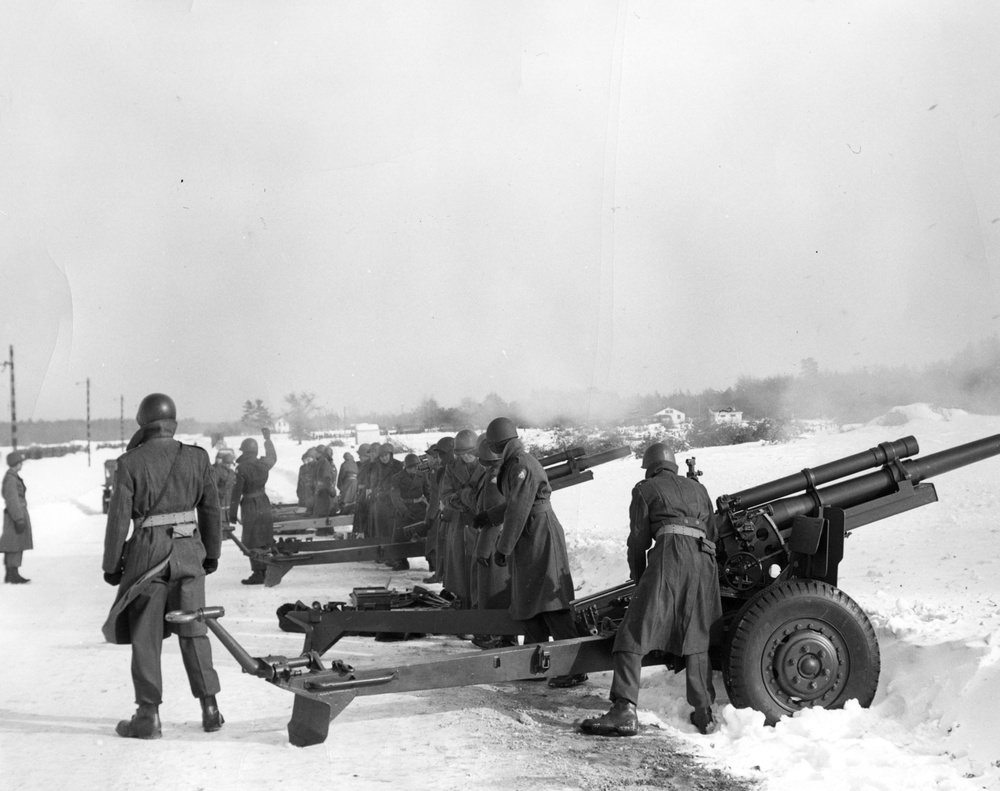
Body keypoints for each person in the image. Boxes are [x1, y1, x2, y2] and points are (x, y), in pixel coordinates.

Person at [101, 393, 224, 739]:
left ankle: (148, 716)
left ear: (144, 424)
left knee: (146, 636)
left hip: (146, 560)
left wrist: (112, 565)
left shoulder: (129, 463)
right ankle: (210, 708)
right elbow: (212, 511)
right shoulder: (197, 458)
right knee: (195, 631)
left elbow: (118, 522)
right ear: (172, 423)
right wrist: (210, 554)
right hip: (189, 555)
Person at [580, 443, 722, 737]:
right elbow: (714, 533)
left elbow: (638, 540)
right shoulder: (700, 489)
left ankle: (624, 710)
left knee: (632, 633)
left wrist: (640, 577)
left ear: (651, 467)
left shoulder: (645, 488)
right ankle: (704, 712)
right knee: (696, 635)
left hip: (669, 556)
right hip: (704, 561)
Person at [477, 417, 585, 687]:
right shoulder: (515, 464)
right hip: (531, 533)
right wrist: (490, 516)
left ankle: (574, 666)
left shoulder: (521, 465)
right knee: (529, 599)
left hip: (539, 533)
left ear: (496, 444)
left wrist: (503, 547)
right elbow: (516, 503)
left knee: (552, 603)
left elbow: (519, 509)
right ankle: (536, 664)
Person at [470, 434, 514, 649]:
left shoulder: (493, 478)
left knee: (493, 593)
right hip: (500, 541)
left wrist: (483, 550)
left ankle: (493, 637)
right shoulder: (498, 474)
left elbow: (493, 520)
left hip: (493, 542)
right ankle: (504, 636)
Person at [439, 429, 483, 608]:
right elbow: (445, 496)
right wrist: (464, 500)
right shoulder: (451, 468)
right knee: (460, 569)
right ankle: (464, 610)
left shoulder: (488, 465)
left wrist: (465, 498)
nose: (466, 458)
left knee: (480, 570)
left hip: (480, 524)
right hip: (459, 526)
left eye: (469, 453)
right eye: (461, 454)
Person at [228, 427, 277, 585]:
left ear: (244, 451)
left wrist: (232, 514)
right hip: (263, 501)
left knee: (252, 539)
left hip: (249, 505)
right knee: (263, 537)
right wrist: (267, 440)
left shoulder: (241, 468)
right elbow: (273, 457)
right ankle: (265, 569)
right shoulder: (263, 464)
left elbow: (236, 492)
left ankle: (258, 573)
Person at [388, 453, 430, 571]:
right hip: (404, 509)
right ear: (406, 467)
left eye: (416, 467)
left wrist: (431, 507)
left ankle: (433, 562)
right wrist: (403, 511)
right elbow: (395, 497)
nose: (415, 469)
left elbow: (428, 492)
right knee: (399, 536)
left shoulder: (422, 476)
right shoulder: (397, 478)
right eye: (412, 467)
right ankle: (401, 562)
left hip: (419, 509)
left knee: (427, 535)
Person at [2, 450, 32, 584]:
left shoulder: (12, 477)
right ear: (16, 463)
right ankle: (12, 574)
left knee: (16, 544)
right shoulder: (11, 479)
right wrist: (19, 519)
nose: (22, 465)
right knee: (14, 545)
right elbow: (12, 500)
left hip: (16, 514)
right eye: (20, 462)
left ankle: (12, 573)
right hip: (15, 516)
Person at [370, 443, 403, 543]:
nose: (384, 458)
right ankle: (383, 554)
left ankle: (396, 556)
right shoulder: (376, 467)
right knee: (381, 529)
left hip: (394, 501)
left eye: (386, 455)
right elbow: (373, 483)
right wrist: (375, 493)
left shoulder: (398, 465)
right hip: (381, 501)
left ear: (390, 454)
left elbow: (401, 483)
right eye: (381, 456)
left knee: (394, 528)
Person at [312, 445, 336, 518]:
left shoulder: (322, 462)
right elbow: (326, 479)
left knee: (323, 516)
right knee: (324, 516)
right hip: (323, 494)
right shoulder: (323, 462)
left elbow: (325, 478)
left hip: (322, 493)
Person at [212, 449, 236, 517]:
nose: (228, 465)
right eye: (227, 463)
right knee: (220, 516)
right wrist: (219, 492)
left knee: (227, 515)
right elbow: (214, 485)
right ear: (223, 462)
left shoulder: (232, 472)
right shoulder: (218, 471)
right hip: (220, 498)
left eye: (229, 463)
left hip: (228, 498)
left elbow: (234, 484)